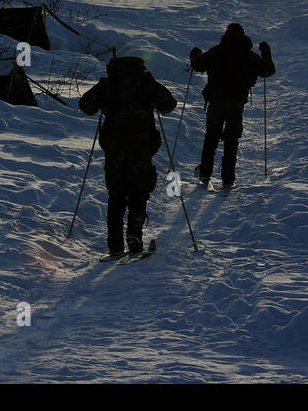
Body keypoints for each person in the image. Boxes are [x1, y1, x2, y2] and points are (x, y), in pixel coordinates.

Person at [79, 49, 176, 255]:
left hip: (115, 148)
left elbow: (86, 106)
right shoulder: (146, 82)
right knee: (139, 191)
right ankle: (134, 234)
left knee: (116, 193)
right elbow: (169, 105)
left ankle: (114, 243)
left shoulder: (107, 84)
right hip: (141, 147)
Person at [189, 23, 275, 190]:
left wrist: (194, 54)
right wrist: (266, 53)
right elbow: (268, 71)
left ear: (226, 35)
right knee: (231, 140)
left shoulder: (217, 51)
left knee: (211, 139)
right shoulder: (249, 56)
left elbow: (198, 65)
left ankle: (205, 175)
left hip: (216, 102)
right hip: (236, 105)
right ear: (243, 36)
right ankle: (228, 179)